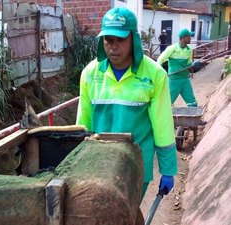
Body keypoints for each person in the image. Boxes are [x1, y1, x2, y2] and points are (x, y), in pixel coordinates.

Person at [76, 7, 177, 200]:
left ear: (134, 39)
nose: (113, 46)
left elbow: (163, 125)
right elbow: (83, 123)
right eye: (108, 40)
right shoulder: (91, 74)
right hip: (99, 163)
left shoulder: (154, 75)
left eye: (120, 39)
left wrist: (168, 168)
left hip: (137, 166)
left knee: (126, 214)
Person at [157, 28, 198, 107]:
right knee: (167, 104)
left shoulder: (189, 50)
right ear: (183, 38)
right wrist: (161, 72)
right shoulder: (172, 48)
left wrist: (193, 65)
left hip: (185, 79)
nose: (190, 38)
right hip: (174, 80)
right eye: (189, 36)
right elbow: (160, 59)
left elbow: (188, 63)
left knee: (193, 103)